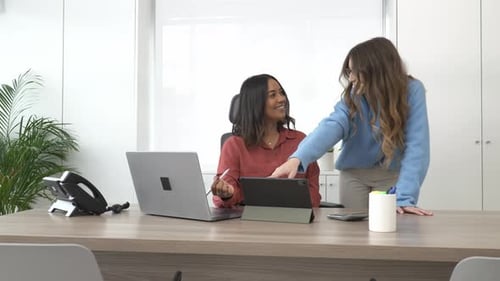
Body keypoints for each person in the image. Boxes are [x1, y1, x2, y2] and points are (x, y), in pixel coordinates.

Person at [271, 37, 433, 216]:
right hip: (354, 175)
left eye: (356, 71)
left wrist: (404, 197)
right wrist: (298, 158)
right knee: (354, 233)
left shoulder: (412, 90)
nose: (352, 77)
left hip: (391, 174)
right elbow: (332, 126)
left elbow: (417, 146)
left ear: (376, 70)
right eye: (349, 71)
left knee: (391, 229)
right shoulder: (354, 96)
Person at [211, 74, 321, 208]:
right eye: (273, 95)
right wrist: (226, 193)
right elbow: (226, 195)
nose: (282, 99)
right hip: (249, 224)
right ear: (255, 102)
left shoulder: (300, 141)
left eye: (281, 93)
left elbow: (313, 195)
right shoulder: (234, 145)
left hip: (295, 222)